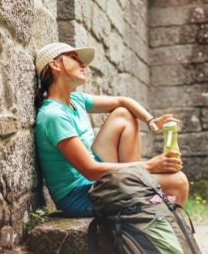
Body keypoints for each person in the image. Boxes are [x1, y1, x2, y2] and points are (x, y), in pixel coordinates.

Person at [34, 42, 188, 217]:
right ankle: (141, 202)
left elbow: (123, 101)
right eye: (75, 59)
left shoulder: (76, 100)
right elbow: (90, 170)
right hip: (80, 196)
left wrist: (151, 120)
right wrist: (150, 165)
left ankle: (137, 188)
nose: (83, 65)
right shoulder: (53, 115)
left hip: (95, 182)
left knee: (124, 114)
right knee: (178, 183)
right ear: (55, 65)